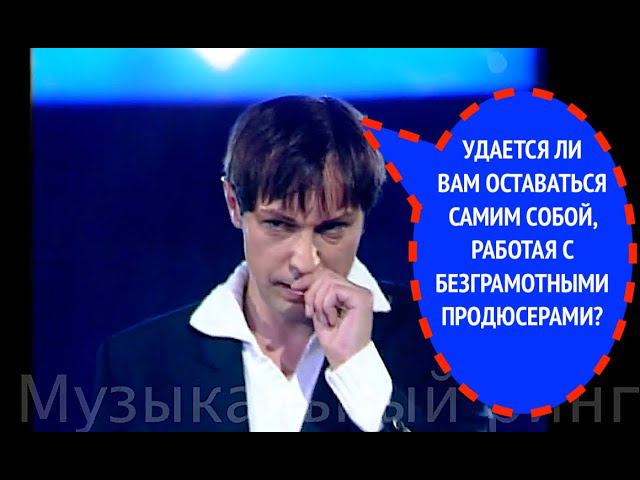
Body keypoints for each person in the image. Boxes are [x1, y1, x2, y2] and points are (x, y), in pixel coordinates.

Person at [92, 95, 487, 432]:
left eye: (332, 228)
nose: (304, 260)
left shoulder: (446, 345)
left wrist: (359, 370)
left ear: (364, 218)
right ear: (234, 204)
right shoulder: (139, 363)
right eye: (279, 225)